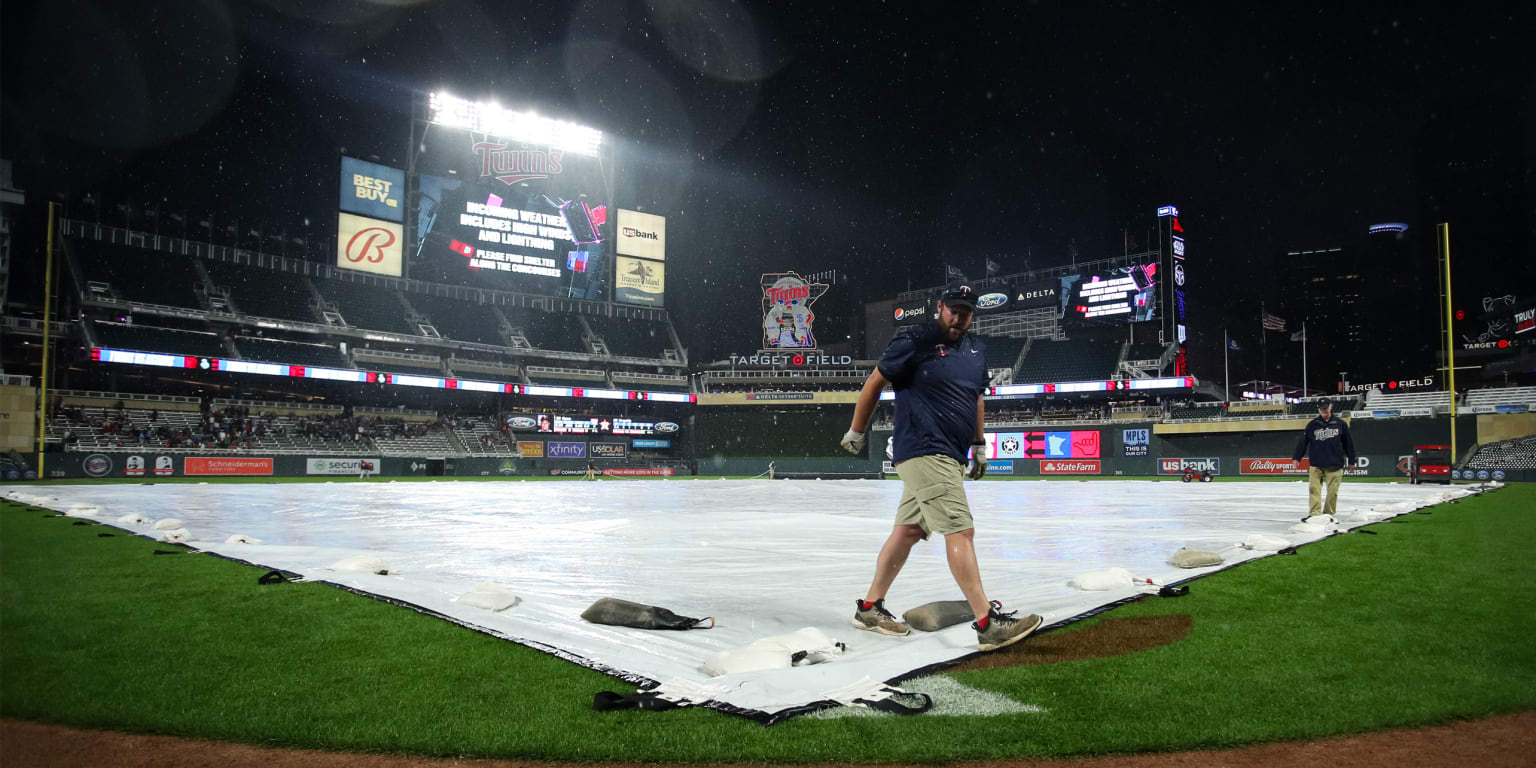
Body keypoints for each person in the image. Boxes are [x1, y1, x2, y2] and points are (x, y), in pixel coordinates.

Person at [841, 282, 1043, 652]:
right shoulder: (915, 339)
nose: (958, 316)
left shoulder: (977, 349)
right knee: (960, 532)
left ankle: (870, 608)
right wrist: (857, 430)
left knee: (908, 532)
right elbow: (874, 384)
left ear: (973, 314)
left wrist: (979, 446)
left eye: (965, 311)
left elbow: (976, 398)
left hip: (950, 454)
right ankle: (987, 623)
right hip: (922, 449)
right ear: (939, 307)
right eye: (952, 309)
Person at [1293, 397, 1356, 520]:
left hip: (1335, 463)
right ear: (1319, 409)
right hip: (1316, 464)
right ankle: (1315, 514)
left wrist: (1352, 460)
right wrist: (1297, 457)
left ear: (1331, 407)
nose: (1324, 411)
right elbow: (1303, 442)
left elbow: (1349, 443)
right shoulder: (1312, 425)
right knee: (1314, 490)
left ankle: (1328, 515)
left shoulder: (1340, 424)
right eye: (1322, 409)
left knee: (1333, 492)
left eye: (1326, 408)